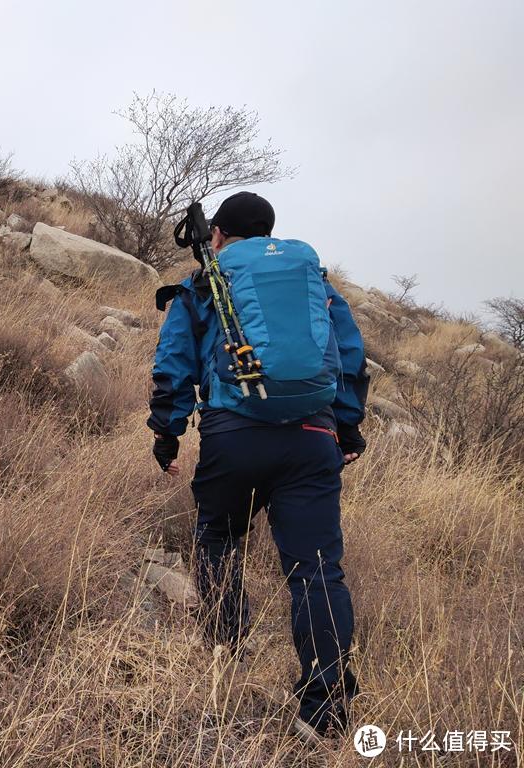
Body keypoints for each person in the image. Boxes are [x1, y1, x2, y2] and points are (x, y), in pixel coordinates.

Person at [146, 191, 369, 739]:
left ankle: (225, 653)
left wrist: (168, 436)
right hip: (312, 438)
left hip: (234, 436)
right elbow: (349, 356)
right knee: (317, 572)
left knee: (219, 542)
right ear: (269, 235)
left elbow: (173, 363)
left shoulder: (207, 282)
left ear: (217, 235)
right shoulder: (313, 282)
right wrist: (346, 427)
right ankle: (326, 710)